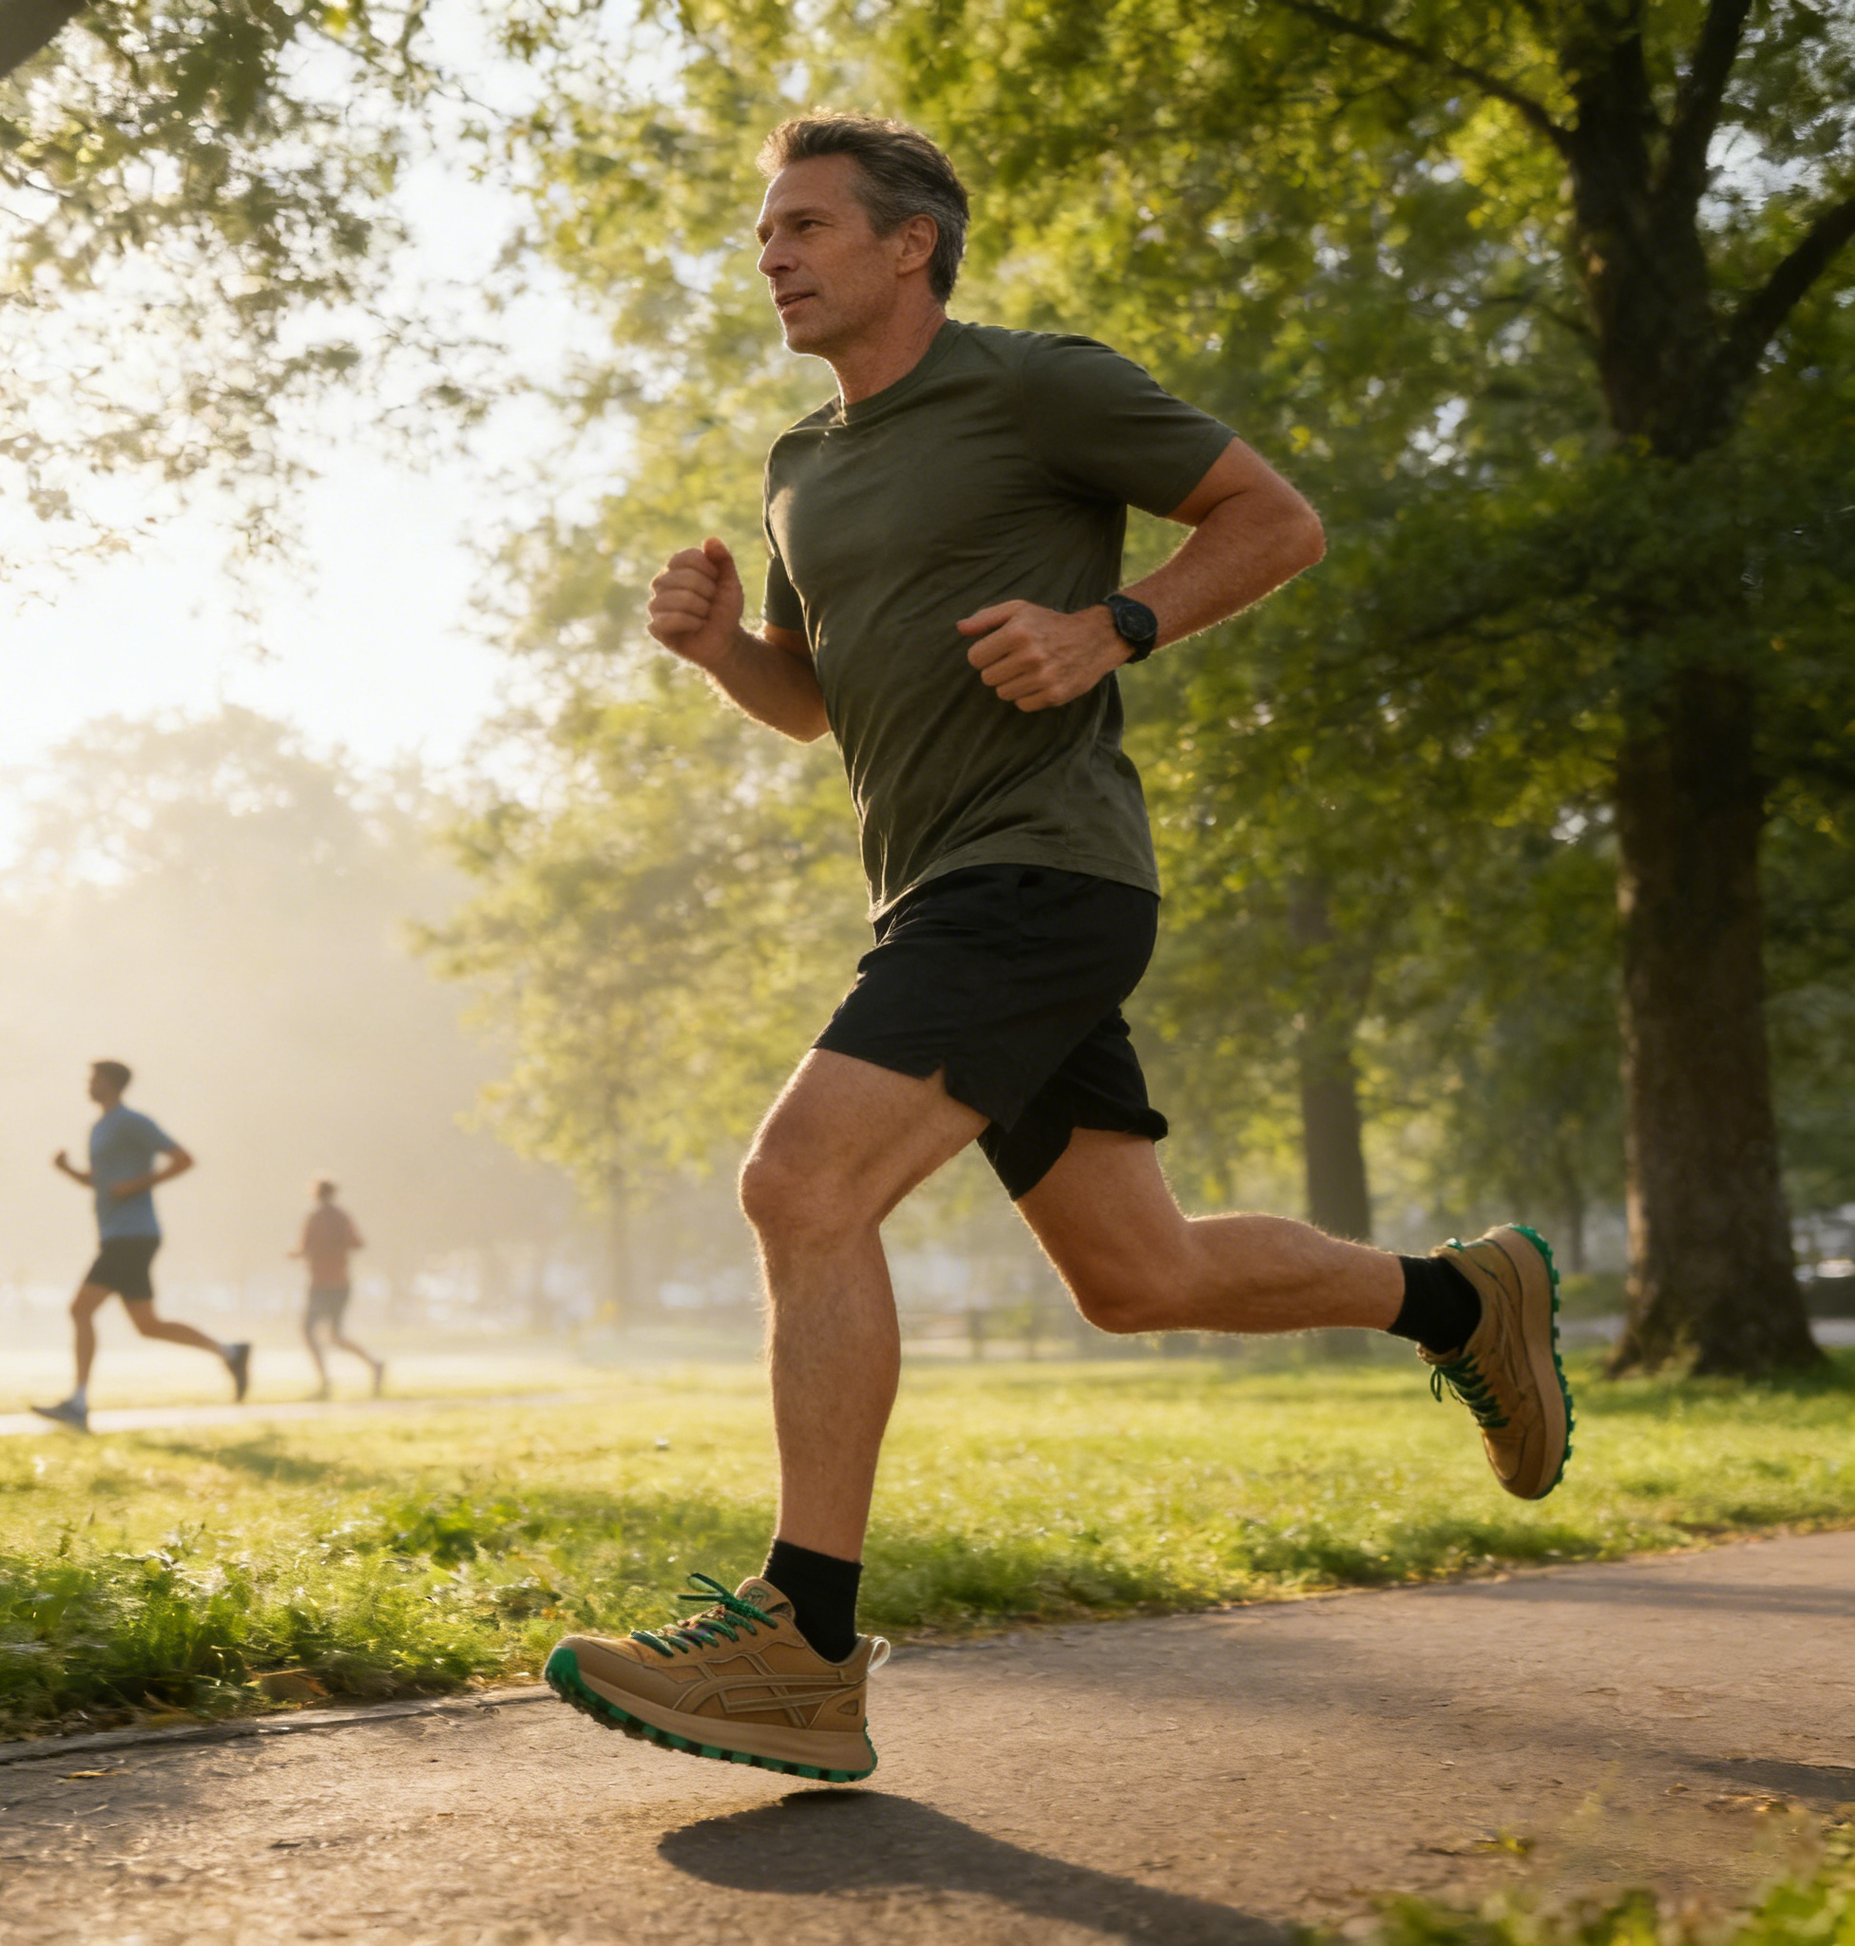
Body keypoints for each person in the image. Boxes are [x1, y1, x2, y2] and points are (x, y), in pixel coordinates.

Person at [543, 115, 1573, 1782]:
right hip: (938, 888)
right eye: (763, 236)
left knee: (799, 1182)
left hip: (1040, 872)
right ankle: (1461, 1297)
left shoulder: (1033, 384)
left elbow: (1274, 519)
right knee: (1138, 1277)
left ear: (910, 244)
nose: (773, 257)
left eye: (806, 226)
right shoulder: (798, 463)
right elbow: (816, 706)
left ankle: (801, 1642)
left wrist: (1112, 627)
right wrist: (726, 649)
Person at [33, 1061, 250, 1433]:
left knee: (80, 1309)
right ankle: (231, 1352)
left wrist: (136, 1185)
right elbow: (102, 1182)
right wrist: (68, 1170)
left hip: (132, 1234)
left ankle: (78, 1403)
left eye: (94, 1078)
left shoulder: (132, 1121)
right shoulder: (100, 1127)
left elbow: (183, 1159)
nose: (88, 1084)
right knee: (148, 1325)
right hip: (117, 1234)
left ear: (111, 1083)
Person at [291, 1179, 382, 1399]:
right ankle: (373, 1364)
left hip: (322, 1284)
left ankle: (326, 1382)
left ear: (315, 1194)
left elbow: (303, 1248)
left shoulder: (316, 1218)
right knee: (334, 1336)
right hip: (339, 1284)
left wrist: (303, 1254)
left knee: (311, 1332)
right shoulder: (341, 1217)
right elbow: (357, 1243)